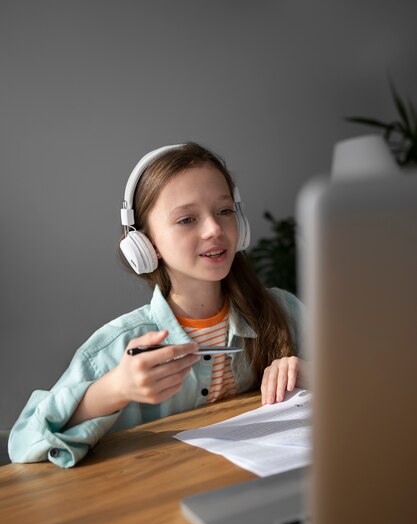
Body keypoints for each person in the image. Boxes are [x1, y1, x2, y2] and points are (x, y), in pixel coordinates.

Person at [8, 142, 307, 468]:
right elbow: (23, 443)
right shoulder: (117, 347)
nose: (214, 229)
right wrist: (115, 389)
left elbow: (363, 382)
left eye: (224, 211)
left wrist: (311, 375)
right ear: (144, 243)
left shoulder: (284, 312)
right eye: (187, 219)